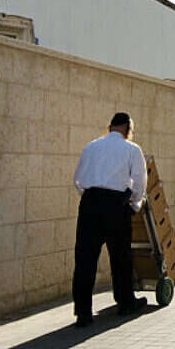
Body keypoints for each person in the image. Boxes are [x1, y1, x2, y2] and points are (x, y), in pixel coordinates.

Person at [71, 112, 148, 327]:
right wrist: (135, 203)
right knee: (120, 257)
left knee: (85, 259)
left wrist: (90, 197)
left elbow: (78, 179)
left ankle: (83, 312)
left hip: (90, 204)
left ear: (111, 126)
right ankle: (125, 302)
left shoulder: (91, 146)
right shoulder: (132, 149)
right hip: (116, 205)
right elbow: (140, 181)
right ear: (128, 129)